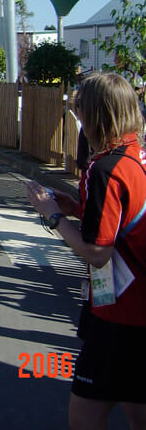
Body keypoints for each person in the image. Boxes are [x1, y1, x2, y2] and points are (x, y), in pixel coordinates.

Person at [26, 72, 146, 429]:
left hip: (118, 313)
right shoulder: (137, 155)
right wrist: (80, 207)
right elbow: (127, 214)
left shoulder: (104, 169)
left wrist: (53, 216)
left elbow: (97, 253)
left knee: (84, 418)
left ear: (94, 116)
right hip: (137, 308)